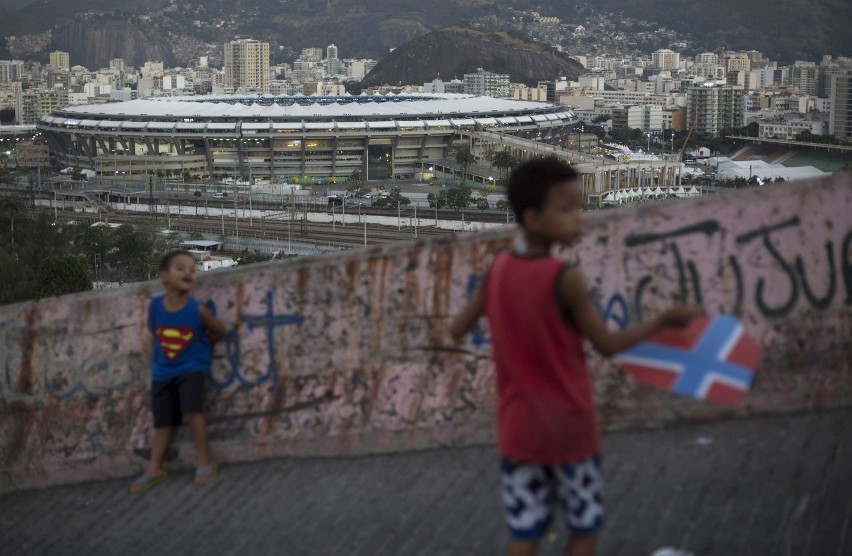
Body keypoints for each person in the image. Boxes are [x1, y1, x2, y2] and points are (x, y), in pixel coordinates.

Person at [449, 157, 700, 556]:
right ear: (533, 218)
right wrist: (664, 320)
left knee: (525, 533)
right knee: (584, 529)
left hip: (518, 431)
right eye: (568, 209)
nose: (579, 219)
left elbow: (457, 329)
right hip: (569, 430)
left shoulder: (497, 268)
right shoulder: (566, 279)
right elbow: (606, 345)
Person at [131, 250, 227, 494]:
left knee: (193, 412)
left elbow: (219, 330)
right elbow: (154, 331)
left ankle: (204, 461)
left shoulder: (197, 309)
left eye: (192, 270)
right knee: (162, 423)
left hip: (191, 368)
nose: (188, 272)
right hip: (162, 372)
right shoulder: (154, 306)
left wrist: (204, 347)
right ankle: (155, 468)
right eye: (180, 268)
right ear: (164, 276)